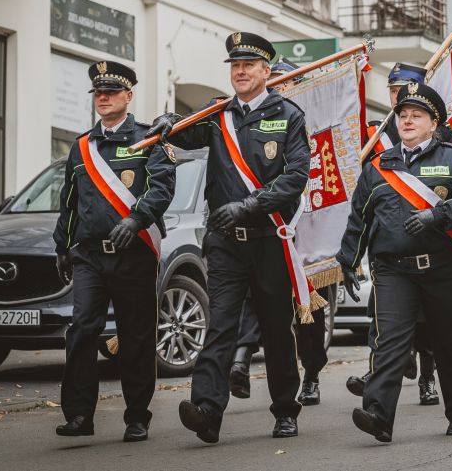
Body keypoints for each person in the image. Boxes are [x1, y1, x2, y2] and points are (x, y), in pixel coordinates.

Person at [148, 32, 311, 443]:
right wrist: (168, 124)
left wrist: (251, 204)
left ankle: (285, 409)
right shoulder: (218, 113)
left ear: (265, 71)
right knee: (221, 326)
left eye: (248, 65)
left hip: (269, 237)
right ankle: (207, 410)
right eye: (235, 66)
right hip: (225, 243)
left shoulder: (288, 116)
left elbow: (295, 177)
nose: (239, 72)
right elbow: (184, 136)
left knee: (275, 327)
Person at [336, 82, 452, 442]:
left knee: (448, 342)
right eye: (403, 115)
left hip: (442, 268)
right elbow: (360, 217)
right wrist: (348, 259)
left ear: (433, 123)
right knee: (389, 342)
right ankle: (378, 414)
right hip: (393, 269)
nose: (407, 121)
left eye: (416, 116)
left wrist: (439, 214)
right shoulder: (378, 167)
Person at [53, 61, 176, 442]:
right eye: (98, 93)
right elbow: (70, 201)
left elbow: (161, 188)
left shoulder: (149, 139)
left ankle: (137, 415)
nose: (103, 98)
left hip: (132, 254)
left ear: (128, 96)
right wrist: (62, 246)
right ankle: (78, 416)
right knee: (81, 330)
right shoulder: (81, 147)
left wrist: (136, 220)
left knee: (136, 335)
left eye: (111, 92)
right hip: (89, 255)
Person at [228, 56, 332, 406]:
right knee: (254, 301)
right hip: (270, 226)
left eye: (290, 84)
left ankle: (312, 373)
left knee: (308, 308)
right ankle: (240, 362)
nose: (284, 90)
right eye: (281, 84)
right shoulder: (262, 118)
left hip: (307, 226)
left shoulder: (308, 120)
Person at [348, 62, 441, 407]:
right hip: (385, 238)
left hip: (425, 241)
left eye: (403, 89)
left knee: (428, 322)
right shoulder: (375, 132)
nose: (395, 96)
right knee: (382, 314)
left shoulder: (437, 137)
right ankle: (377, 374)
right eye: (391, 90)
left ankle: (428, 379)